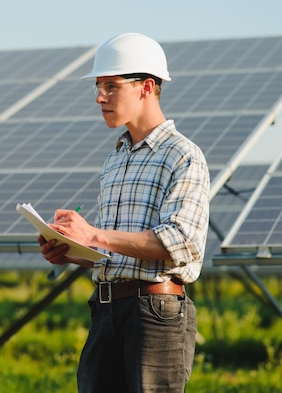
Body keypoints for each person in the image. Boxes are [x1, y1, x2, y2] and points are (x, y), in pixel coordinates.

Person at [38, 33, 210, 392]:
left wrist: (94, 234)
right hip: (105, 312)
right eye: (98, 87)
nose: (99, 97)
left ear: (146, 87)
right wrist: (71, 251)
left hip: (154, 314)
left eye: (110, 86)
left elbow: (181, 241)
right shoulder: (115, 160)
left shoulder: (183, 155)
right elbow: (117, 254)